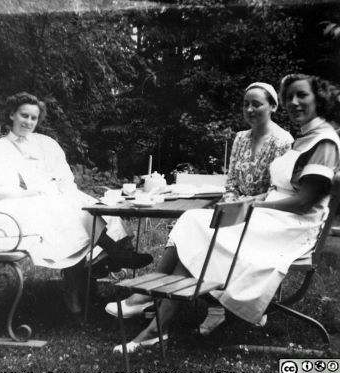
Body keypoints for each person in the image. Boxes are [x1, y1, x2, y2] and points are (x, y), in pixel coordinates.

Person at [108, 74, 340, 353]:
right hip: (273, 213)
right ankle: (157, 323)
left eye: (301, 95)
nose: (293, 102)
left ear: (320, 98)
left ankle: (156, 322)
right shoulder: (304, 138)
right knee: (195, 222)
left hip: (291, 226)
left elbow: (304, 201)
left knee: (202, 228)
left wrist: (254, 206)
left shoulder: (324, 142)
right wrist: (251, 202)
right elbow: (279, 188)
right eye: (290, 95)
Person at [0, 88, 152, 315]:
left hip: (8, 206)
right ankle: (109, 255)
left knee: (71, 209)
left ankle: (98, 266)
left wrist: (34, 191)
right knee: (67, 212)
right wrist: (25, 194)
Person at [105, 82, 293, 325]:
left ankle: (151, 298)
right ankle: (156, 297)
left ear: (273, 106)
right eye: (245, 104)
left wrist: (242, 207)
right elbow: (232, 182)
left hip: (261, 217)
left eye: (256, 104)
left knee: (195, 231)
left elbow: (274, 190)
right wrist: (230, 206)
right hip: (232, 210)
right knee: (191, 225)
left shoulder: (283, 141)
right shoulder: (240, 138)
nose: (250, 109)